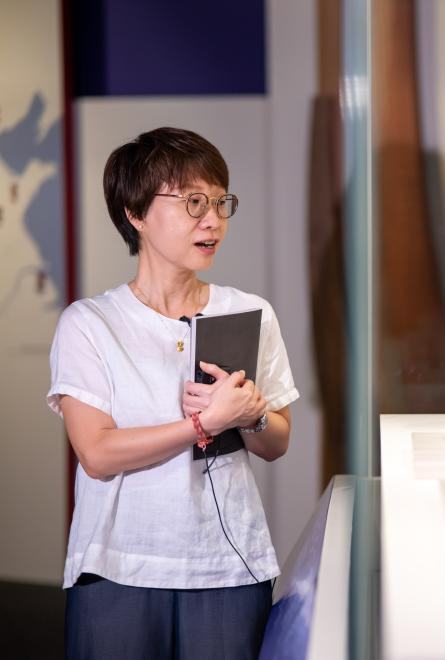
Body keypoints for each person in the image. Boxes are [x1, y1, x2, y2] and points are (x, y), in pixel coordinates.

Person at [47, 127, 299, 659]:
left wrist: (251, 414)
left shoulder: (249, 311)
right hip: (119, 565)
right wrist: (203, 424)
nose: (212, 220)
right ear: (135, 213)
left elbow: (276, 443)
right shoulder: (90, 323)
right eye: (192, 203)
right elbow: (97, 453)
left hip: (231, 565)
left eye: (220, 203)